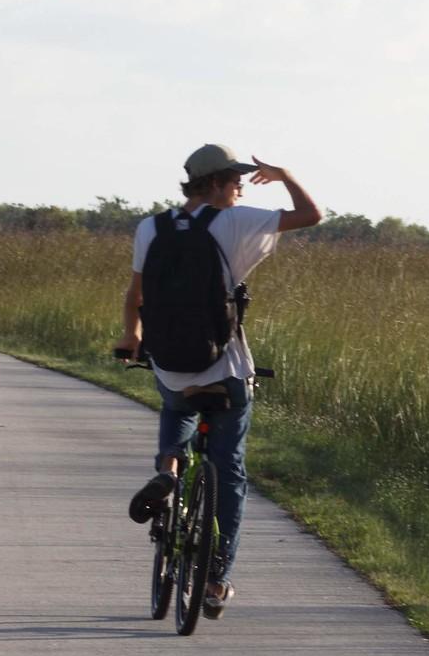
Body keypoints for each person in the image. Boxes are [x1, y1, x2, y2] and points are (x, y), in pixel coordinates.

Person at [116, 144, 322, 615]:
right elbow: (311, 215)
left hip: (170, 363)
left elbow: (135, 293)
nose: (240, 188)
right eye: (235, 181)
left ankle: (168, 470)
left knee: (175, 403)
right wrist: (285, 174)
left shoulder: (152, 227)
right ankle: (215, 581)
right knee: (229, 472)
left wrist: (131, 338)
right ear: (213, 184)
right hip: (226, 367)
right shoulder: (235, 222)